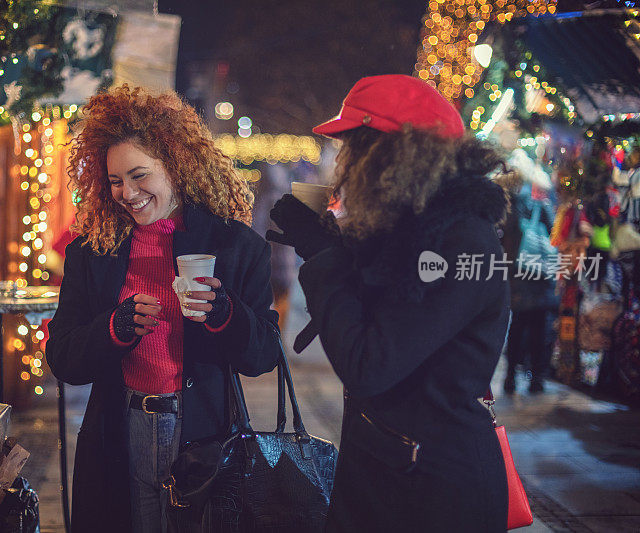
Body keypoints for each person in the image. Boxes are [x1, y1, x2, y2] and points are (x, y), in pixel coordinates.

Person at [267, 75, 511, 532]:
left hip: (433, 493)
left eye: (351, 147)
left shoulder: (457, 242)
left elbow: (370, 363)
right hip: (390, 475)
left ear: (391, 155)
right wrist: (333, 244)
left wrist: (326, 260)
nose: (341, 162)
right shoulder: (411, 230)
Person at [46, 85, 282, 533]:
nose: (126, 192)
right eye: (115, 180)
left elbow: (263, 355)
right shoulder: (92, 252)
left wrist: (222, 312)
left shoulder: (234, 246)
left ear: (174, 165)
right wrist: (114, 328)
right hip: (119, 430)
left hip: (206, 435)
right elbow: (62, 358)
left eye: (139, 175)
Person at [500, 183, 557, 393]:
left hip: (519, 279)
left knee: (517, 328)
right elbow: (553, 238)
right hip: (540, 279)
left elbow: (506, 243)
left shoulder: (512, 210)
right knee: (539, 331)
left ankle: (510, 377)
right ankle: (536, 379)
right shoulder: (543, 208)